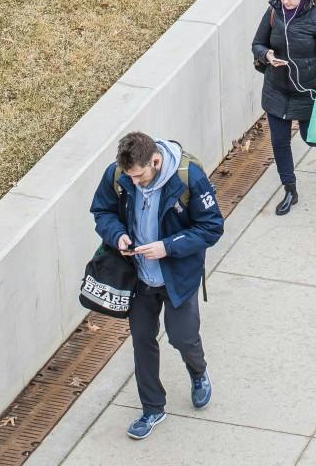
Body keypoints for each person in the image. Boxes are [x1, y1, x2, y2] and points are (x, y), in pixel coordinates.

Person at [89, 131, 221, 441]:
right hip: (139, 278)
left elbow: (212, 227)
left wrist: (168, 246)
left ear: (156, 161)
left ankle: (198, 372)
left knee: (182, 336)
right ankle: (152, 408)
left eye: (140, 176)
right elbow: (102, 211)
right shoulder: (118, 174)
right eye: (130, 177)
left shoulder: (190, 178)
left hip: (177, 276)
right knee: (142, 341)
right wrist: (117, 235)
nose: (135, 183)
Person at [250, 0, 316, 215]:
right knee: (280, 143)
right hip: (276, 89)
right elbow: (257, 43)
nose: (285, 1)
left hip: (307, 92)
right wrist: (267, 54)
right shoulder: (273, 13)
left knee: (308, 136)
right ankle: (290, 189)